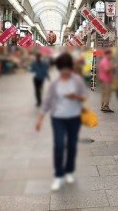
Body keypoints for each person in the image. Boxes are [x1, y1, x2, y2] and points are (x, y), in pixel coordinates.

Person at [35, 53, 88, 191]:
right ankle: (59, 175)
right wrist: (40, 117)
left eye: (67, 68)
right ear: (59, 68)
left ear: (71, 67)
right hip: (58, 118)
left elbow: (84, 97)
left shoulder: (77, 80)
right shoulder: (55, 84)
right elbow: (47, 101)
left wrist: (75, 96)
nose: (65, 71)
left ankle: (69, 171)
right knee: (59, 145)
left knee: (71, 145)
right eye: (62, 68)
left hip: (74, 118)